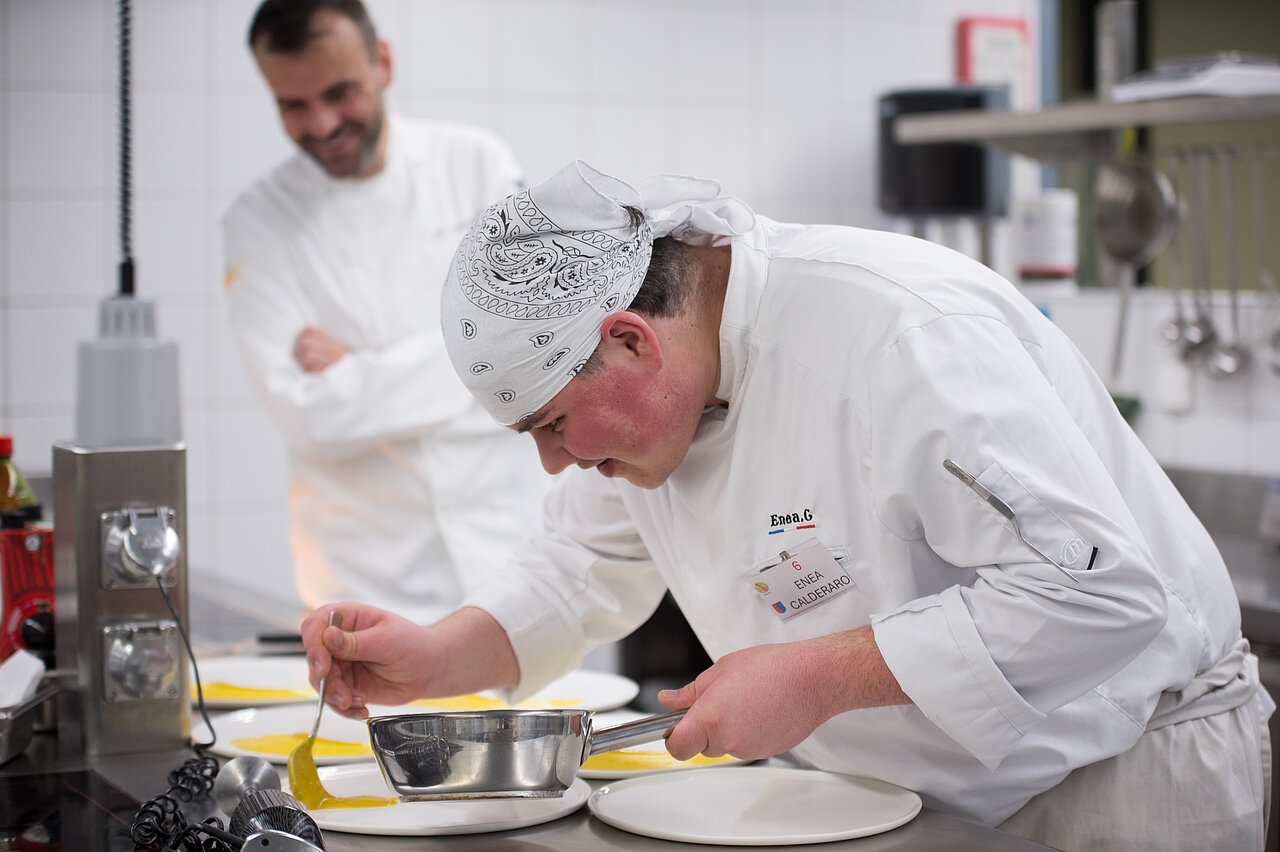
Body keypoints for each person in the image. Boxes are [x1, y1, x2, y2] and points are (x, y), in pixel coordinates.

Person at [300, 161, 1272, 851]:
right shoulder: (665, 405)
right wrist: (437, 655)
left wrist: (815, 678)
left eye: (552, 425)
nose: (557, 463)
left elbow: (1100, 591)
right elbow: (575, 569)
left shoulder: (899, 335)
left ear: (631, 342)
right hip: (907, 800)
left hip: (1121, 776)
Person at [221, 0, 547, 625]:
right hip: (369, 586)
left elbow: (535, 344)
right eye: (293, 105)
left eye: (339, 93)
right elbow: (308, 415)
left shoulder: (477, 165)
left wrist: (361, 369)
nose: (321, 124)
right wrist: (473, 360)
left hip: (518, 557)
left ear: (384, 63)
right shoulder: (258, 222)